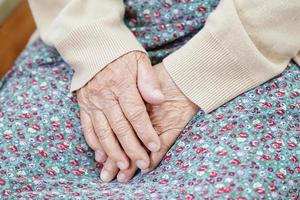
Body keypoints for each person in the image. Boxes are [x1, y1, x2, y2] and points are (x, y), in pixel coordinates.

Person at [0, 0, 299, 199]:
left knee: (240, 188)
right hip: (92, 28)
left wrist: (195, 73)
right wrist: (98, 47)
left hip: (260, 39)